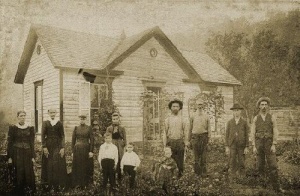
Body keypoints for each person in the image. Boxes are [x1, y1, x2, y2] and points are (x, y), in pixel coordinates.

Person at [251, 97, 284, 193]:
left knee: (273, 165)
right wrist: (254, 146)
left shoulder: (272, 117)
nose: (264, 106)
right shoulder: (256, 118)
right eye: (262, 105)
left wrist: (274, 144)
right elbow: (252, 132)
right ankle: (261, 188)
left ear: (268, 106)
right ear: (259, 106)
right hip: (259, 144)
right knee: (259, 166)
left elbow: (275, 131)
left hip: (269, 144)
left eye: (265, 104)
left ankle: (277, 188)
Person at [7, 111, 36, 195]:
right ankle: (19, 191)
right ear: (18, 117)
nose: (23, 117)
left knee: (28, 171)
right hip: (17, 153)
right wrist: (9, 157)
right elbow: (10, 143)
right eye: (21, 116)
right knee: (19, 171)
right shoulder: (13, 128)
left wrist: (33, 156)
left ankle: (29, 190)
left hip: (27, 152)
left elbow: (31, 143)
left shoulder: (30, 128)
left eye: (24, 116)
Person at [41, 108, 67, 190]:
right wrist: (44, 147)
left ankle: (57, 185)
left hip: (57, 145)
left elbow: (62, 136)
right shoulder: (45, 123)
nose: (52, 114)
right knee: (48, 164)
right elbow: (42, 135)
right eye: (51, 112)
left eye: (54, 112)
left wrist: (62, 147)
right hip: (48, 145)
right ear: (48, 113)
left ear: (56, 113)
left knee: (57, 164)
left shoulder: (59, 123)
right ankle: (48, 184)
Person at [163, 99, 189, 177]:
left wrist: (186, 143)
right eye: (173, 106)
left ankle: (180, 178)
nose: (175, 108)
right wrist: (164, 146)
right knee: (170, 160)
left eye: (177, 106)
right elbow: (164, 133)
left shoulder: (183, 119)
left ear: (180, 108)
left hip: (180, 142)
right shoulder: (167, 120)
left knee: (180, 161)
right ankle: (171, 177)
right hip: (170, 142)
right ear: (170, 108)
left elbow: (186, 132)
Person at [225, 103, 249, 179]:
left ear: (240, 111)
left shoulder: (244, 122)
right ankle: (232, 176)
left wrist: (247, 146)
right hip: (232, 144)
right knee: (232, 160)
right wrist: (227, 146)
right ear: (233, 112)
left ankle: (242, 176)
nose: (236, 112)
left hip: (241, 145)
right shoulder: (230, 122)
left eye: (238, 110)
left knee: (241, 160)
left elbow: (247, 135)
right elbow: (227, 134)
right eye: (235, 111)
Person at [189, 99, 211, 177]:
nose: (200, 106)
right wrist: (189, 140)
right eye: (198, 105)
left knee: (203, 157)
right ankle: (196, 174)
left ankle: (203, 173)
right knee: (195, 157)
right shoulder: (193, 116)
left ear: (203, 105)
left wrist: (209, 139)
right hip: (195, 137)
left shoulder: (206, 116)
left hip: (204, 137)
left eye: (201, 104)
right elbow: (190, 128)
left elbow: (209, 128)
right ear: (196, 105)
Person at [71, 114, 94, 188]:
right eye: (81, 119)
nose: (82, 120)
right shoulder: (76, 128)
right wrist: (72, 151)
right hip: (77, 149)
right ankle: (77, 183)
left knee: (85, 166)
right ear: (79, 120)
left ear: (85, 120)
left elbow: (92, 140)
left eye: (83, 119)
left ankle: (85, 183)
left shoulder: (89, 128)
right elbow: (73, 140)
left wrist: (91, 151)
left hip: (86, 148)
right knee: (77, 166)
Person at [106, 113, 127, 181]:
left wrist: (123, 144)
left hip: (119, 144)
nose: (115, 120)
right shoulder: (109, 128)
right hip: (112, 143)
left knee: (120, 158)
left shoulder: (122, 128)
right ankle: (112, 177)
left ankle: (120, 178)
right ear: (112, 120)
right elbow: (107, 137)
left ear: (119, 119)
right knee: (113, 158)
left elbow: (125, 138)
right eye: (113, 119)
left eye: (116, 119)